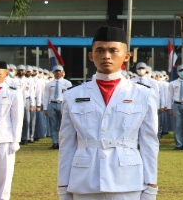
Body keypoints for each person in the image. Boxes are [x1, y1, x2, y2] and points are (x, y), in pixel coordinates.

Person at [57, 26, 159, 200]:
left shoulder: (143, 94)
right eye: (100, 50)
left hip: (128, 179)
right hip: (85, 180)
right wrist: (62, 185)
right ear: (91, 56)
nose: (106, 56)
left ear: (126, 56)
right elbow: (67, 144)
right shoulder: (73, 95)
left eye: (113, 50)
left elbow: (149, 141)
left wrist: (151, 184)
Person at [0, 61, 24, 200]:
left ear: (6, 74)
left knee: (5, 175)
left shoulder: (13, 92)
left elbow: (17, 118)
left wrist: (16, 140)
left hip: (5, 139)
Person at [43, 65, 73, 149]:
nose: (58, 73)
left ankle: (63, 142)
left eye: (59, 71)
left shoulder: (67, 83)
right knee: (53, 124)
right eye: (56, 71)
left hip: (62, 104)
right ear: (53, 73)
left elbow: (70, 96)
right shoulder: (49, 84)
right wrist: (45, 108)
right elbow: (46, 96)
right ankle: (55, 142)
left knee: (63, 124)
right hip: (52, 104)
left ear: (63, 72)